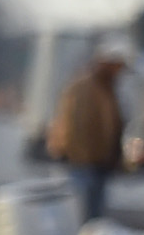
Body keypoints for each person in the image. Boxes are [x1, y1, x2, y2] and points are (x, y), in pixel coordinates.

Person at [44, 43, 133, 223]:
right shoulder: (86, 88)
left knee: (93, 215)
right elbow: (78, 126)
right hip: (85, 163)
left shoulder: (104, 88)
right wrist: (82, 156)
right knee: (85, 214)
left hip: (96, 163)